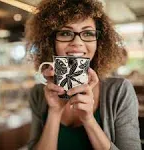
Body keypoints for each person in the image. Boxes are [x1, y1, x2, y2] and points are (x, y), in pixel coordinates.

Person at [25, 0, 141, 150]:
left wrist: (88, 120)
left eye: (87, 33)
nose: (77, 42)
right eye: (66, 33)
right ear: (50, 42)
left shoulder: (119, 91)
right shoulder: (38, 94)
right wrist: (54, 112)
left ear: (99, 42)